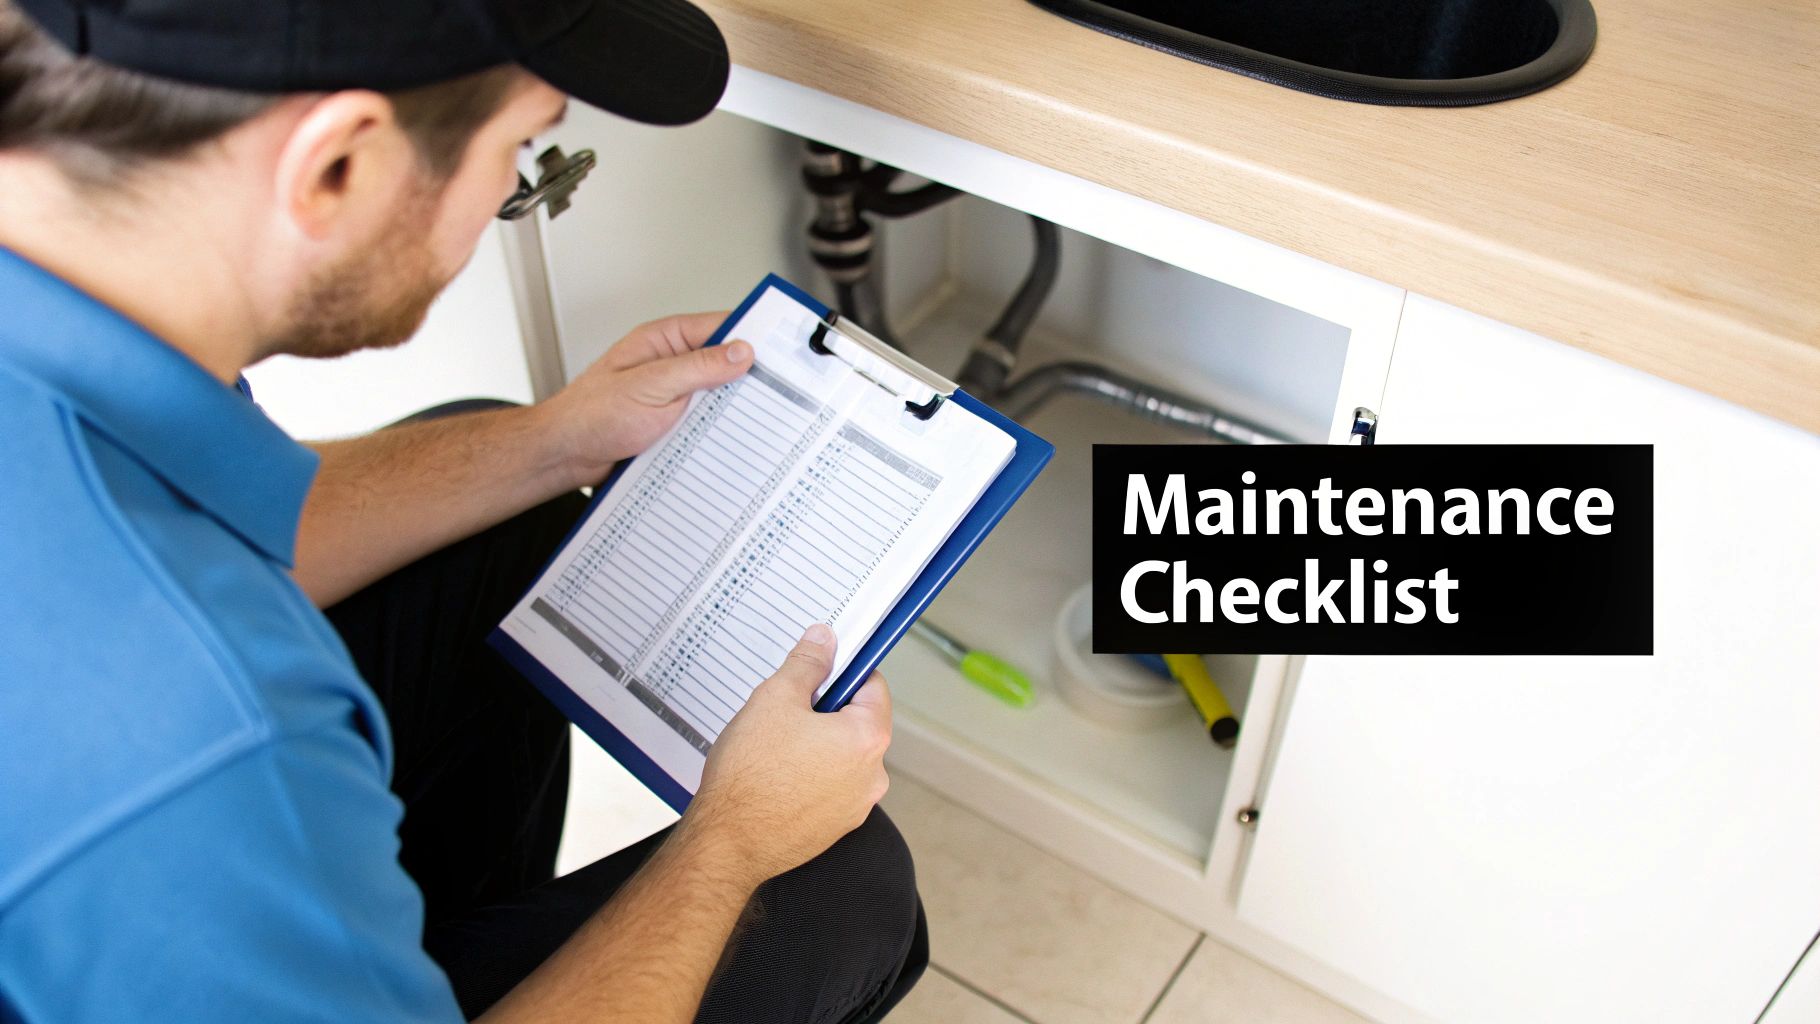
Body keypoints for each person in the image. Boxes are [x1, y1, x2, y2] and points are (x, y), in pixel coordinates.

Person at [0, 0, 927, 1020]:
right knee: (840, 889)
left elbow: (220, 515)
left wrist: (558, 438)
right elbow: (179, 692)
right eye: (519, 148)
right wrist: (731, 839)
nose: (509, 191)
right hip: (170, 831)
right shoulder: (215, 738)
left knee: (497, 510)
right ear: (337, 167)